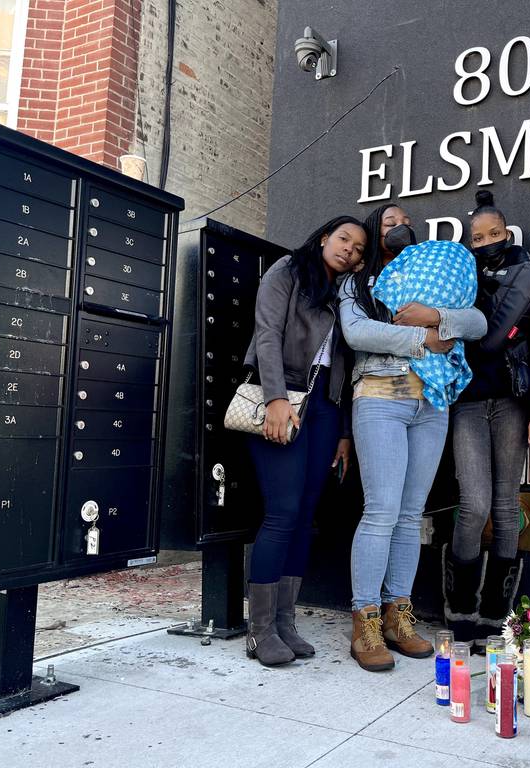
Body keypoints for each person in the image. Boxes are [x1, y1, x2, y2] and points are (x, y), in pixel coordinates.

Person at [340, 203, 487, 672]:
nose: (396, 227)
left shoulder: (438, 274)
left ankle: (397, 617)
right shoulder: (359, 281)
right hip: (381, 395)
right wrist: (424, 339)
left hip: (432, 403)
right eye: (386, 222)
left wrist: (436, 315)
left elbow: (477, 323)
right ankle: (364, 619)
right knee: (381, 510)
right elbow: (356, 332)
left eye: (403, 221)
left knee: (409, 515)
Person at [241, 216, 366, 666]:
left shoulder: (345, 295)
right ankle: (259, 630)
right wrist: (275, 397)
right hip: (285, 397)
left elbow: (347, 367)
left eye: (357, 247)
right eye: (343, 239)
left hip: (325, 411)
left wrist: (346, 434)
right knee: (283, 512)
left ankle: (286, 622)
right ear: (323, 237)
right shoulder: (288, 271)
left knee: (306, 516)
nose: (349, 249)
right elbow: (267, 333)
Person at [442, 190, 530, 644]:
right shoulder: (456, 275)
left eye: (493, 234)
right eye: (477, 236)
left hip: (512, 401)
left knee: (508, 507)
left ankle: (496, 616)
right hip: (466, 401)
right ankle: (460, 610)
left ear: (507, 233)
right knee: (473, 505)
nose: (486, 241)